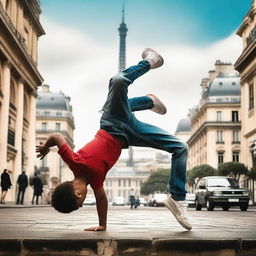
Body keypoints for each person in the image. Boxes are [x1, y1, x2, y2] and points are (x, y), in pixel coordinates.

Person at [36, 48, 192, 231]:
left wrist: (47, 147)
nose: (84, 200)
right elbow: (102, 200)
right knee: (181, 147)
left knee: (117, 81)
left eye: (80, 203)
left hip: (112, 121)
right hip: (131, 135)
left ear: (78, 194)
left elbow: (56, 136)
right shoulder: (95, 182)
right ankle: (177, 198)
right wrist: (102, 225)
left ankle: (150, 62)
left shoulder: (73, 162)